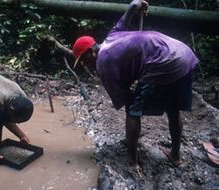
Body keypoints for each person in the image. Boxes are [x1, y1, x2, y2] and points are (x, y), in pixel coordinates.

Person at [72, 0, 198, 167]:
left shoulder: (103, 63)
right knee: (172, 108)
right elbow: (131, 8)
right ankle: (175, 155)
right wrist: (137, 4)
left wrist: (132, 92)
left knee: (132, 110)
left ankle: (132, 161)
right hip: (182, 53)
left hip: (163, 61)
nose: (84, 64)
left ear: (90, 52)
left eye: (83, 60)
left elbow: (124, 98)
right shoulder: (112, 35)